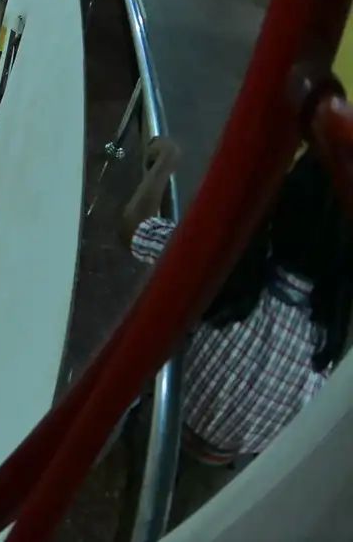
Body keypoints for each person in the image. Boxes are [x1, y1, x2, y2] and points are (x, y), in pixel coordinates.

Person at [121, 140, 351, 466]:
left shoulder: (222, 266)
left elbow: (134, 228)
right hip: (222, 468)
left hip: (156, 418)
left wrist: (163, 166)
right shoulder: (324, 351)